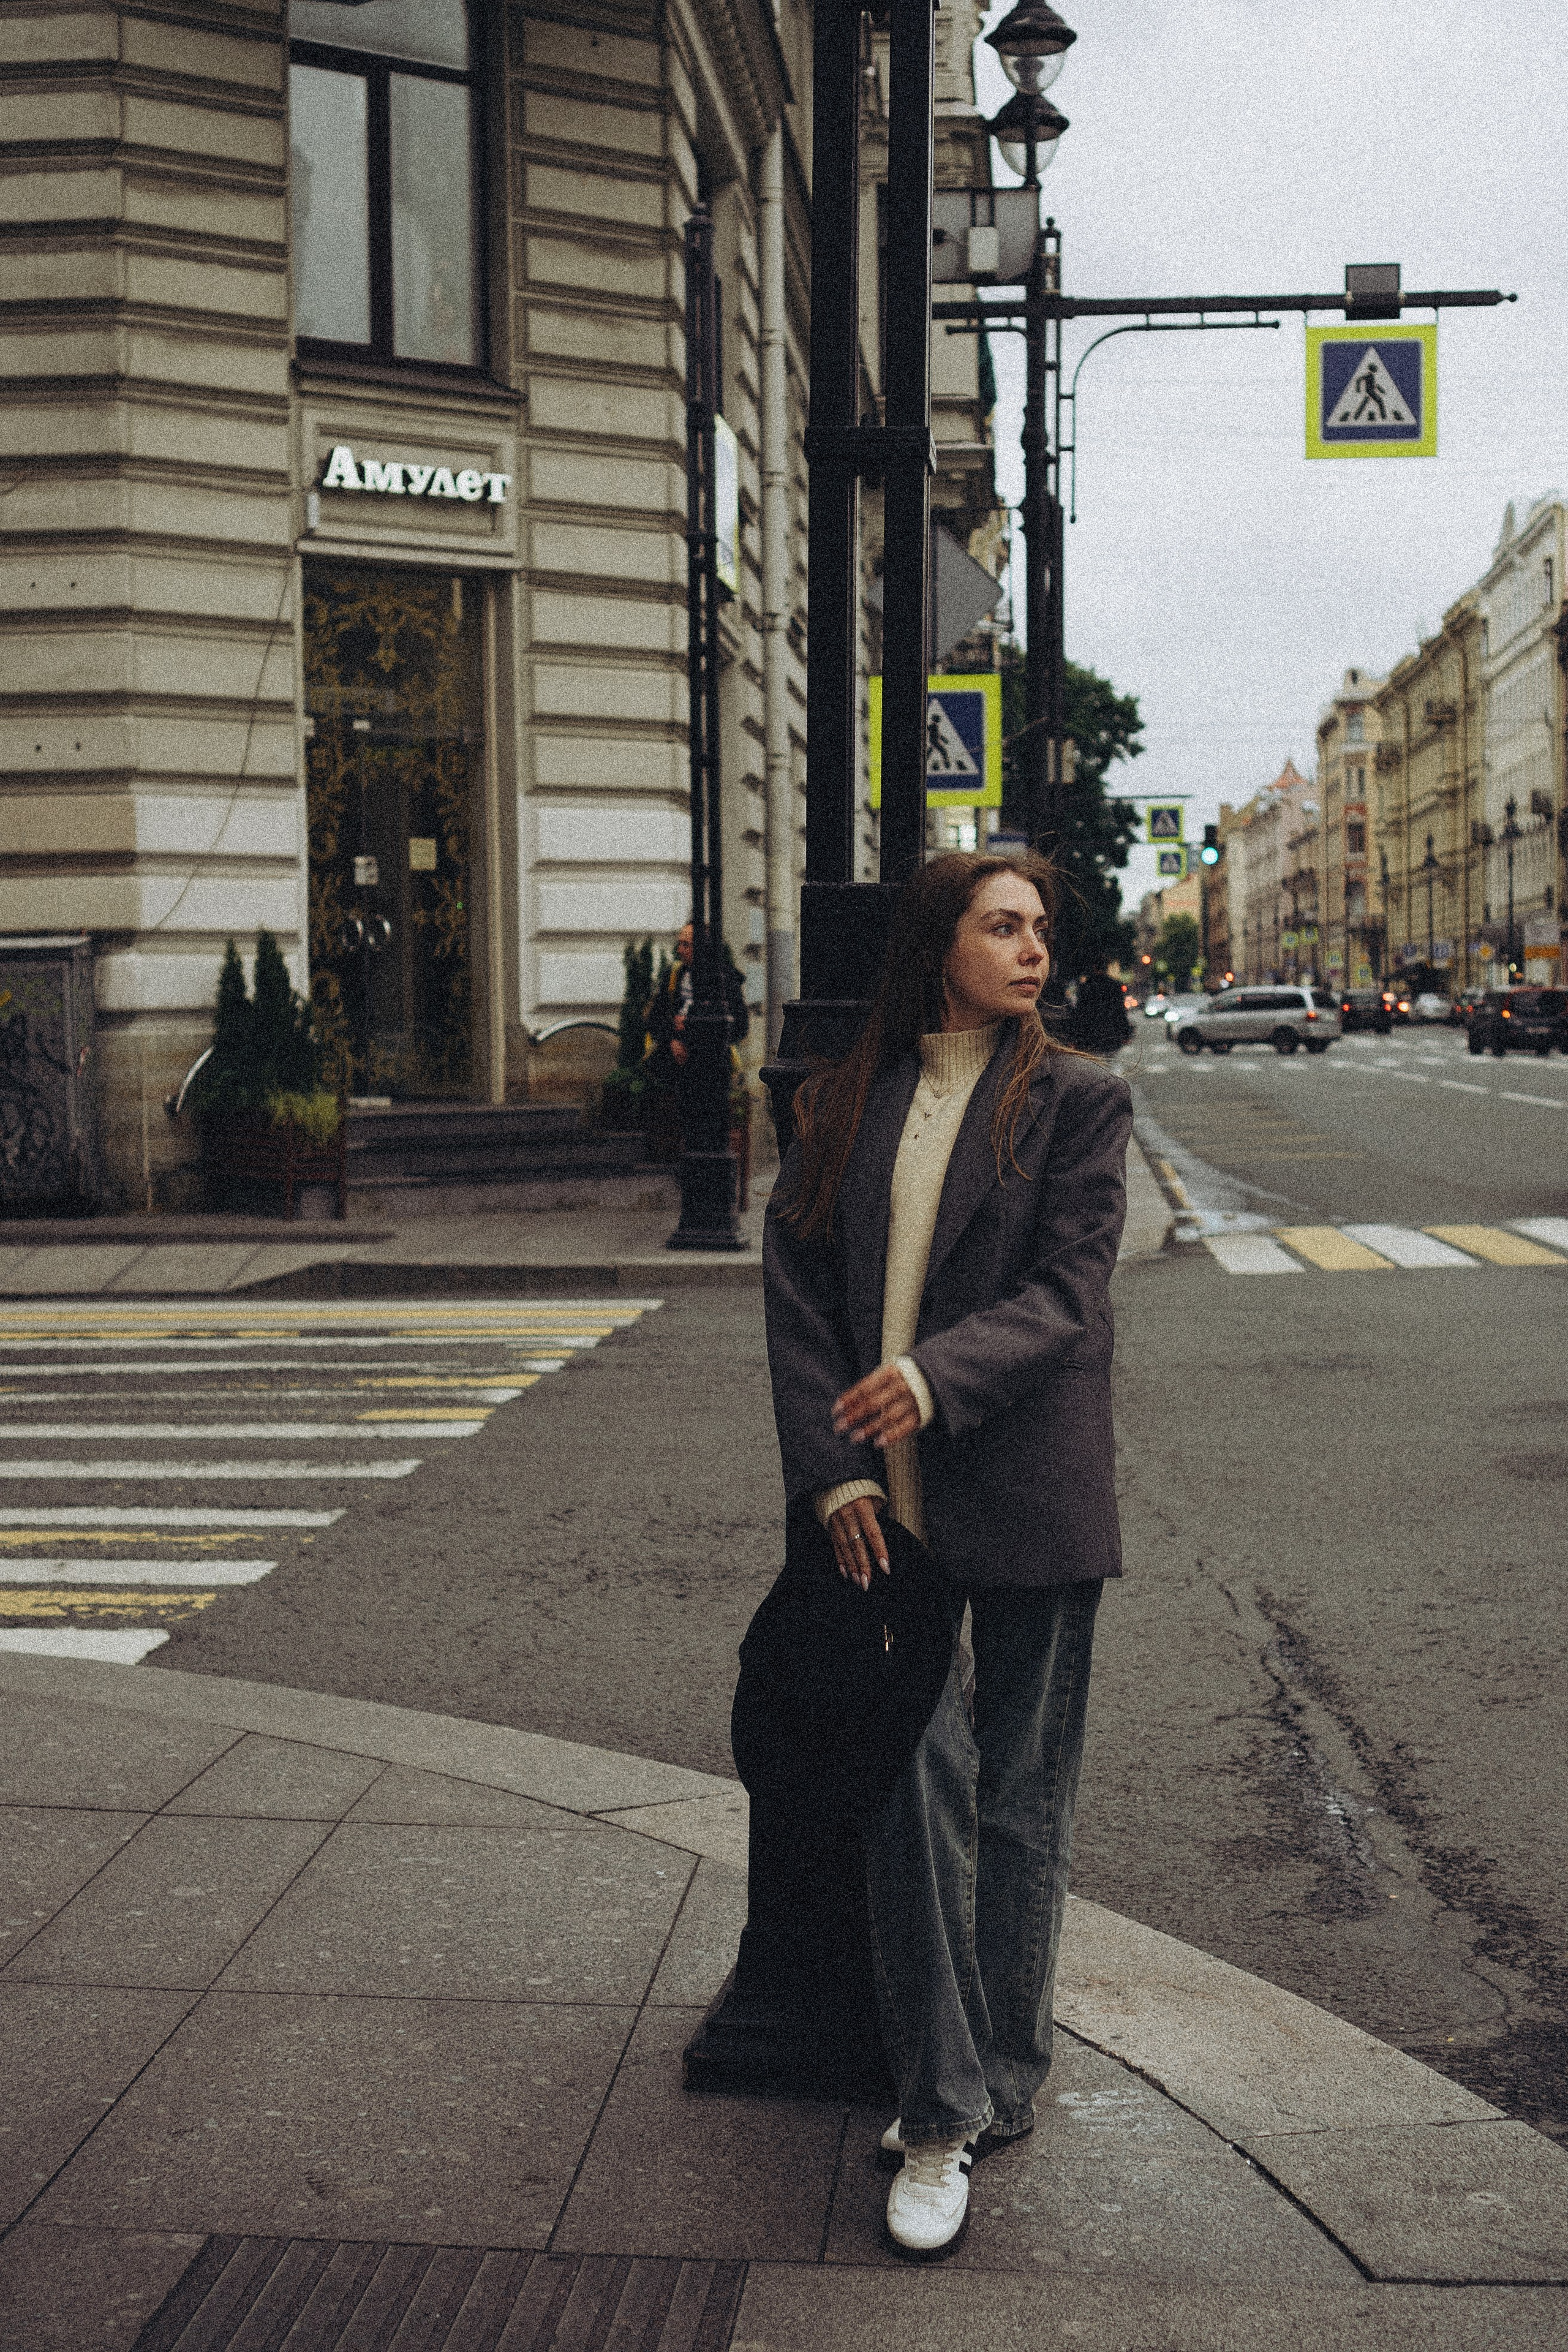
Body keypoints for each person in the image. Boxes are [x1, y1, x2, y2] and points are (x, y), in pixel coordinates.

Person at [763, 850, 1131, 2260]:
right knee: (913, 1795)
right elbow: (795, 1294)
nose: (1033, 949)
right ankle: (937, 2105)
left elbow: (1069, 1294)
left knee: (1023, 1800)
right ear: (938, 944)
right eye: (1002, 926)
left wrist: (929, 1376)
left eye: (1040, 926)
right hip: (883, 1506)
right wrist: (829, 1475)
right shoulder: (841, 1102)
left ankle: (998, 2080)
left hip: (1026, 1488)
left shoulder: (1075, 1100)